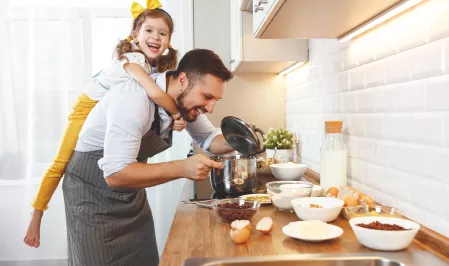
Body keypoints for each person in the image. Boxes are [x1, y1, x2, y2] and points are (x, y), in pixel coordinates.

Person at [23, 0, 186, 248]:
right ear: (135, 34)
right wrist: (176, 113)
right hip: (84, 109)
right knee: (60, 163)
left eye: (162, 33)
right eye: (149, 31)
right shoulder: (133, 61)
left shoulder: (150, 66)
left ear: (169, 41)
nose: (156, 37)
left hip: (101, 111)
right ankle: (36, 216)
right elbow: (154, 94)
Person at [63, 48, 233, 265]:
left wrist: (246, 139)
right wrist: (183, 168)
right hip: (92, 196)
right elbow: (115, 174)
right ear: (183, 79)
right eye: (207, 96)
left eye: (216, 99)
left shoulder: (184, 103)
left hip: (130, 195)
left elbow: (209, 139)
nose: (210, 107)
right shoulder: (133, 98)